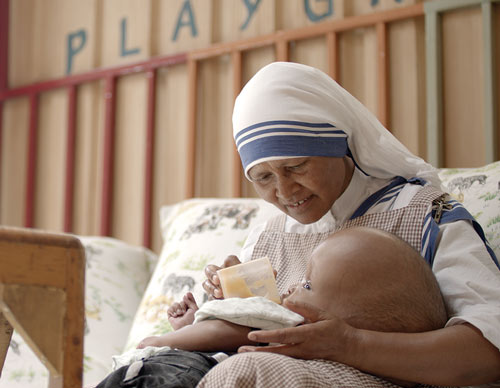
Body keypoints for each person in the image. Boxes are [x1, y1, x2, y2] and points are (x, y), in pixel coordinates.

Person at [198, 62, 500, 387]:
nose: (284, 191)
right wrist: (229, 304)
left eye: (297, 166)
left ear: (337, 144)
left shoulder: (424, 214)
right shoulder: (267, 237)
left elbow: (488, 352)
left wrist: (350, 345)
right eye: (263, 177)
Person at [95, 227, 447, 388]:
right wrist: (189, 327)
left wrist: (159, 341)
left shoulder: (297, 325)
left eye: (308, 284)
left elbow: (227, 331)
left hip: (174, 370)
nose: (293, 285)